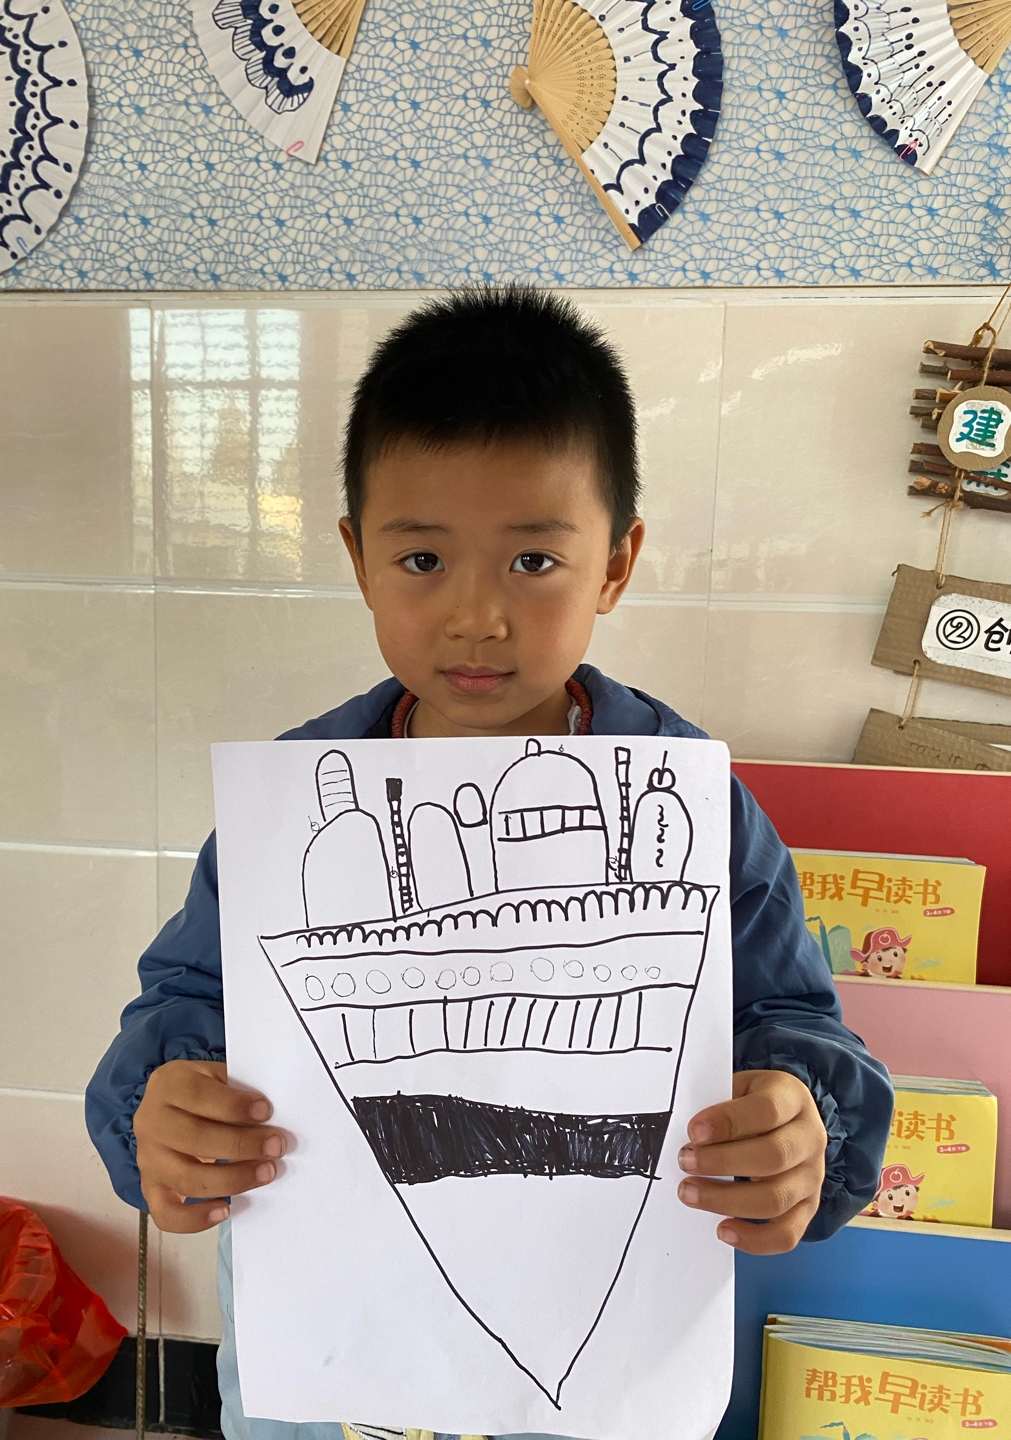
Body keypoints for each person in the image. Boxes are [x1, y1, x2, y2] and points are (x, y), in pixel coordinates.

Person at [86, 286, 894, 1440]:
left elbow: (791, 1025)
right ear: (358, 557)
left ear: (615, 563)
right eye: (422, 557)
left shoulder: (693, 808)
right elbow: (185, 1007)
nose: (476, 615)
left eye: (532, 560)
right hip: (329, 1371)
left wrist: (804, 1123)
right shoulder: (293, 809)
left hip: (603, 1369)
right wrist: (158, 1112)